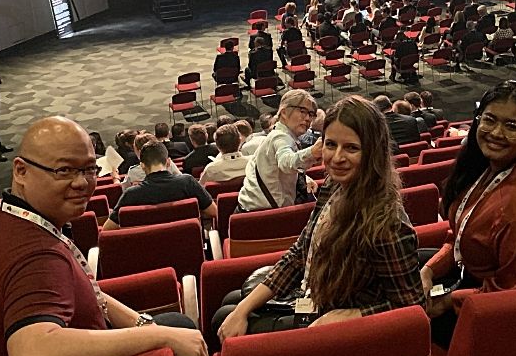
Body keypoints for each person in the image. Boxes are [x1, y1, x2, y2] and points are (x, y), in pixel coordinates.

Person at [0, 116, 206, 356]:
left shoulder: (12, 221)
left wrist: (144, 326)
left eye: (89, 169)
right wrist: (160, 339)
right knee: (180, 329)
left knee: (175, 324)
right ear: (20, 171)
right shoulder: (36, 254)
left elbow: (88, 292)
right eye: (64, 170)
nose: (81, 183)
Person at [217, 96, 424, 337]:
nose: (337, 157)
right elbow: (300, 252)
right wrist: (243, 310)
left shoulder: (389, 224)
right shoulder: (333, 185)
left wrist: (351, 315)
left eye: (352, 148)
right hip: (315, 293)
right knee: (232, 305)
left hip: (335, 325)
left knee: (222, 318)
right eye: (330, 144)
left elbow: (412, 305)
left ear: (373, 152)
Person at [421, 82, 516, 342]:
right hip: (476, 273)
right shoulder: (489, 167)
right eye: (489, 120)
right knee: (409, 267)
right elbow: (460, 234)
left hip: (508, 318)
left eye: (512, 126)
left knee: (404, 328)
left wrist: (449, 300)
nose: (496, 132)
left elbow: (513, 294)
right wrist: (430, 270)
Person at [237, 90, 322, 212]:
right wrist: (313, 152)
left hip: (254, 210)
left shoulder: (279, 135)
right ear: (284, 112)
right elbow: (286, 163)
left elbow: (273, 167)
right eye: (303, 111)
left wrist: (302, 178)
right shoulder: (280, 137)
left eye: (311, 114)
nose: (308, 118)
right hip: (261, 217)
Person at [106, 140, 217, 228]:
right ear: (168, 162)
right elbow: (214, 211)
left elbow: (108, 229)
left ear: (143, 166)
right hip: (188, 250)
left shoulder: (130, 194)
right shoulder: (187, 182)